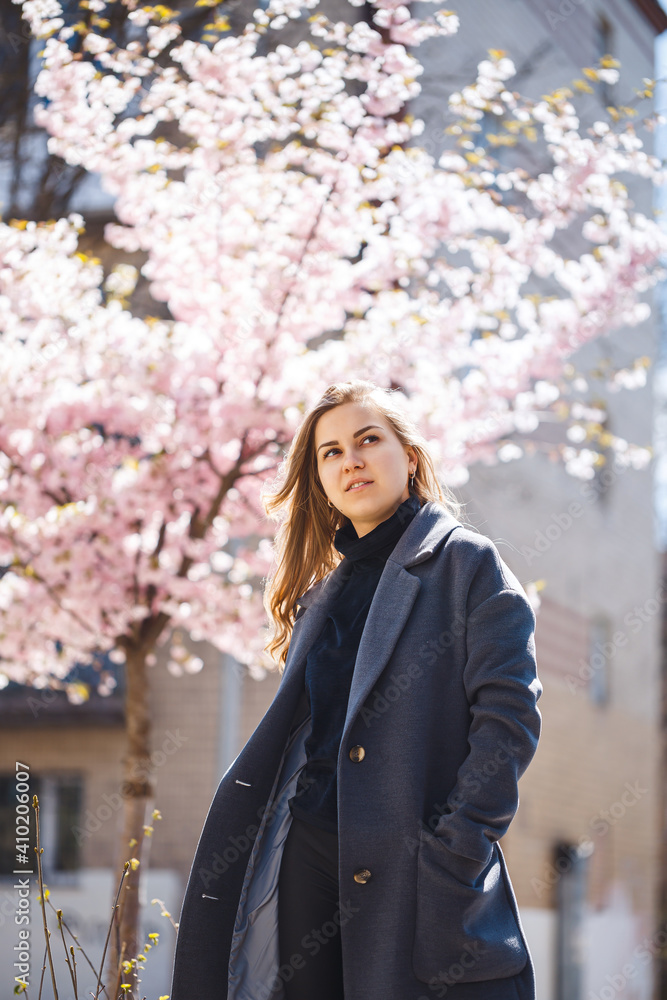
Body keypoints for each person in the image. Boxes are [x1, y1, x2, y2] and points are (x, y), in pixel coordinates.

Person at [169, 378, 543, 1000]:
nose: (352, 460)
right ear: (319, 478)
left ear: (410, 457)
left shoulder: (467, 565)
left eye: (368, 440)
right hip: (308, 856)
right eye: (331, 452)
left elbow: (510, 721)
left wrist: (457, 847)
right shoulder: (324, 595)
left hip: (416, 867)